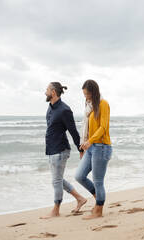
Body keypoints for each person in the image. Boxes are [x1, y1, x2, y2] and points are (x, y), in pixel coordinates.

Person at [40, 82, 87, 219]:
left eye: (47, 90)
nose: (45, 92)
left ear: (53, 92)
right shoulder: (50, 108)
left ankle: (56, 210)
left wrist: (80, 149)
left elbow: (73, 131)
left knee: (56, 181)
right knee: (57, 180)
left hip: (60, 150)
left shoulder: (64, 110)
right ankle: (80, 199)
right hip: (51, 149)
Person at [75, 79, 112, 220]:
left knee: (98, 181)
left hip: (102, 147)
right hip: (90, 147)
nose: (86, 97)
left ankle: (99, 210)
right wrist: (84, 145)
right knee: (79, 176)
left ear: (93, 92)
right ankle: (98, 200)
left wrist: (90, 141)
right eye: (84, 94)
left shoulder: (103, 104)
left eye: (87, 94)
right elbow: (87, 128)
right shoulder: (90, 106)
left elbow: (103, 127)